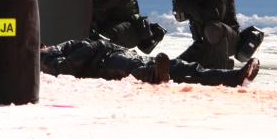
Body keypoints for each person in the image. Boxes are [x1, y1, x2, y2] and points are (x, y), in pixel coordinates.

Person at [40, 38, 260, 87]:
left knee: (179, 65)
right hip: (106, 62)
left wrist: (96, 46)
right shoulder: (45, 59)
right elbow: (66, 68)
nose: (44, 45)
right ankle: (153, 75)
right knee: (139, 69)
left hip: (118, 53)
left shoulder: (59, 48)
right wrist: (94, 46)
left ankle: (236, 76)